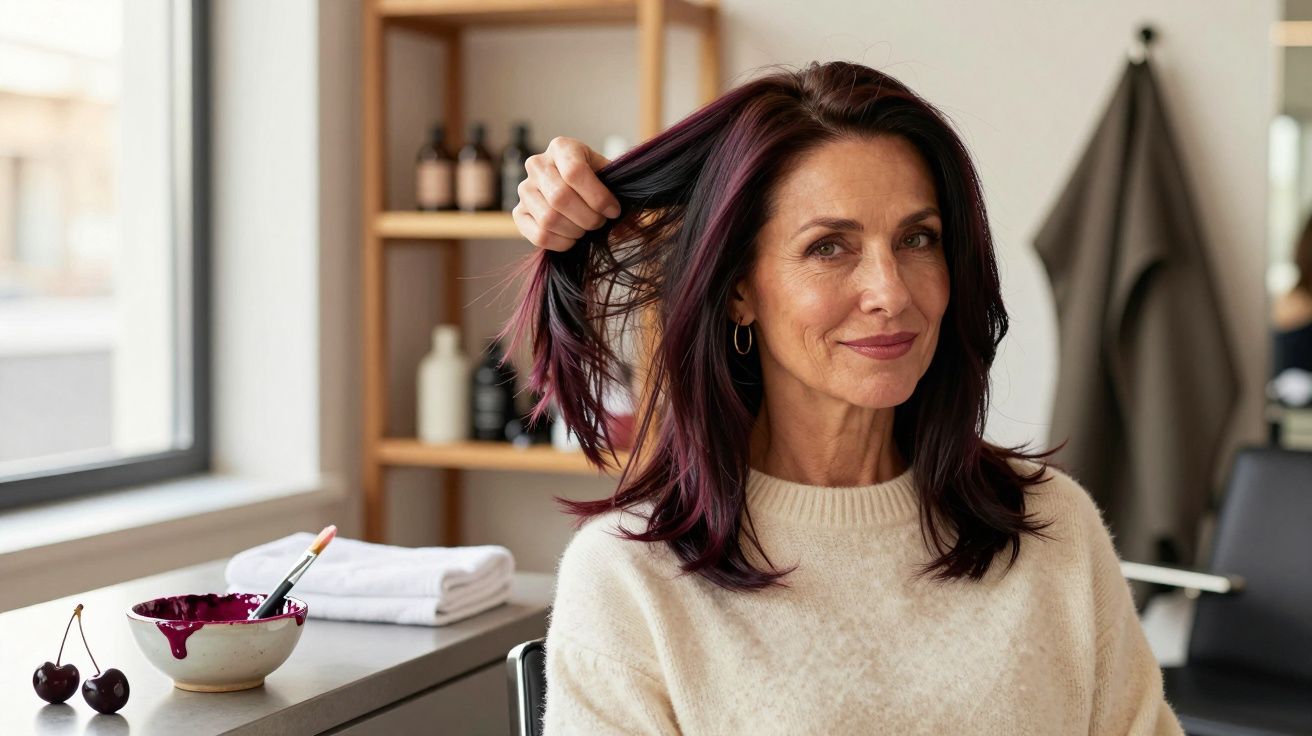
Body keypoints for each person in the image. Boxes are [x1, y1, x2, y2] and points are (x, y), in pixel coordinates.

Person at [501, 61, 1184, 735]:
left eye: (918, 239)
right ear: (739, 290)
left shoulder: (1052, 531)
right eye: (829, 247)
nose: (891, 291)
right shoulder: (630, 581)